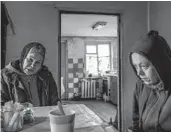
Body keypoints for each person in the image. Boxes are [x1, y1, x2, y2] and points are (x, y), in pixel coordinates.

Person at [129, 30, 171, 132]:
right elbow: (136, 119)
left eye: (144, 66)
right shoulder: (141, 85)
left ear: (160, 64)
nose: (139, 73)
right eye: (135, 66)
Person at [1, 42, 59, 106]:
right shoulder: (5, 76)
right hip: (17, 115)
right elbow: (2, 105)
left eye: (37, 62)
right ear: (23, 57)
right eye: (30, 59)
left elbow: (55, 101)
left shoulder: (46, 75)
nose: (32, 66)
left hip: (43, 115)